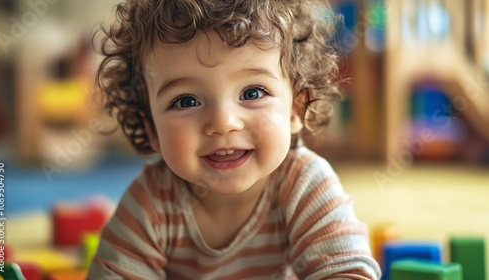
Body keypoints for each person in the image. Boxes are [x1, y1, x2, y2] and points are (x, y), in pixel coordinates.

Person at [87, 0, 381, 279]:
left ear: (295, 109)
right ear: (150, 128)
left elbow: (347, 272)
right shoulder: (150, 204)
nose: (223, 123)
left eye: (252, 93)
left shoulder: (304, 184)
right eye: (186, 101)